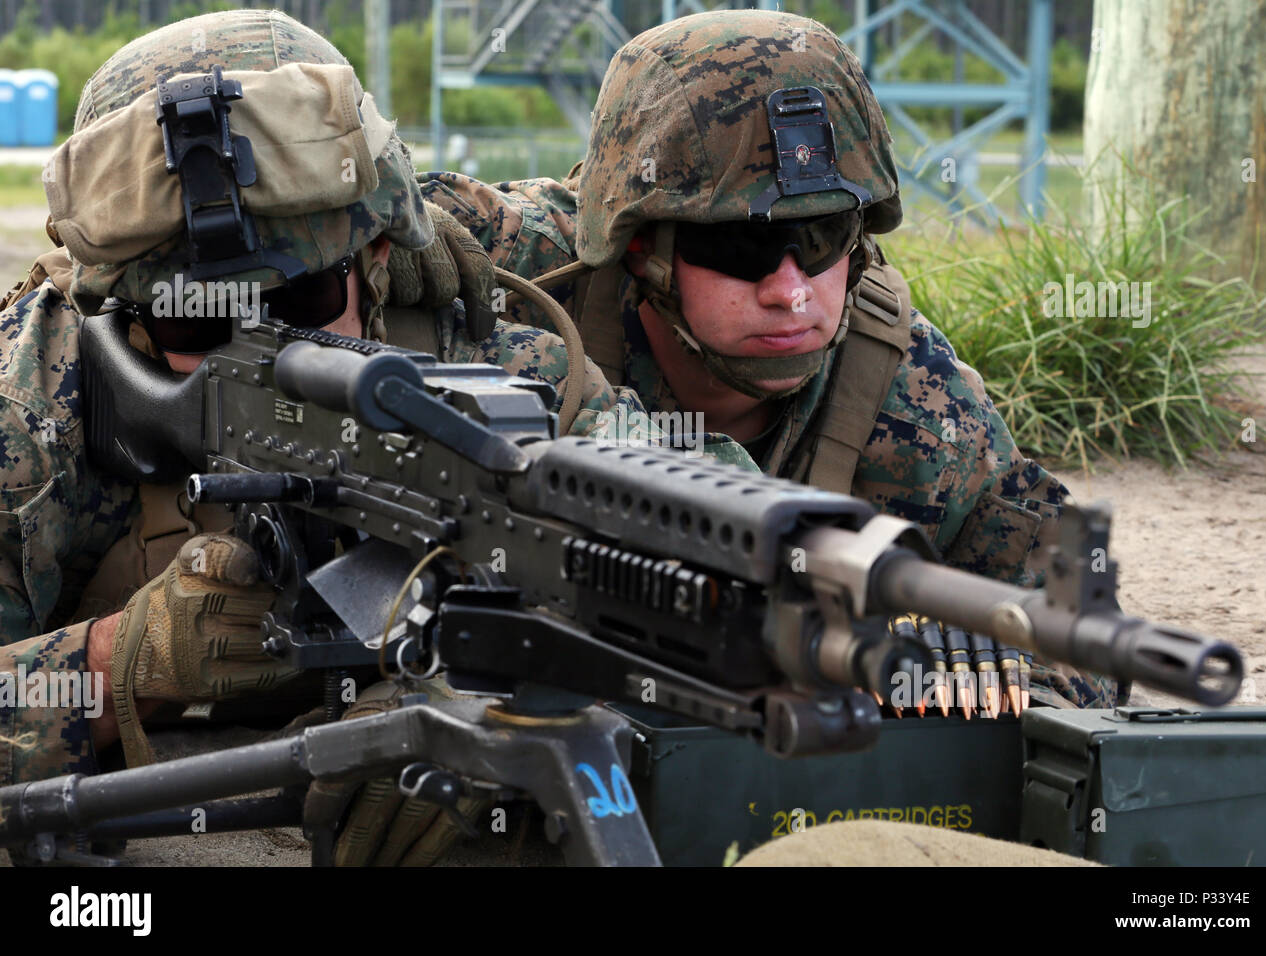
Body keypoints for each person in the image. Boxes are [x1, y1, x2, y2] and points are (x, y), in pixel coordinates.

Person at [0, 10, 670, 815]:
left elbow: (676, 527)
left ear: (377, 259)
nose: (260, 350)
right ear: (123, 314)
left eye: (303, 301)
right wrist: (124, 660)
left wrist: (456, 715)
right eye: (200, 319)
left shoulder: (484, 364)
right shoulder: (36, 405)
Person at [416, 8, 1122, 711]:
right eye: (740, 248)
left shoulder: (919, 408)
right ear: (642, 248)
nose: (789, 292)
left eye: (822, 239)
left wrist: (935, 701)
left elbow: (1078, 639)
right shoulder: (518, 274)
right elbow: (353, 231)